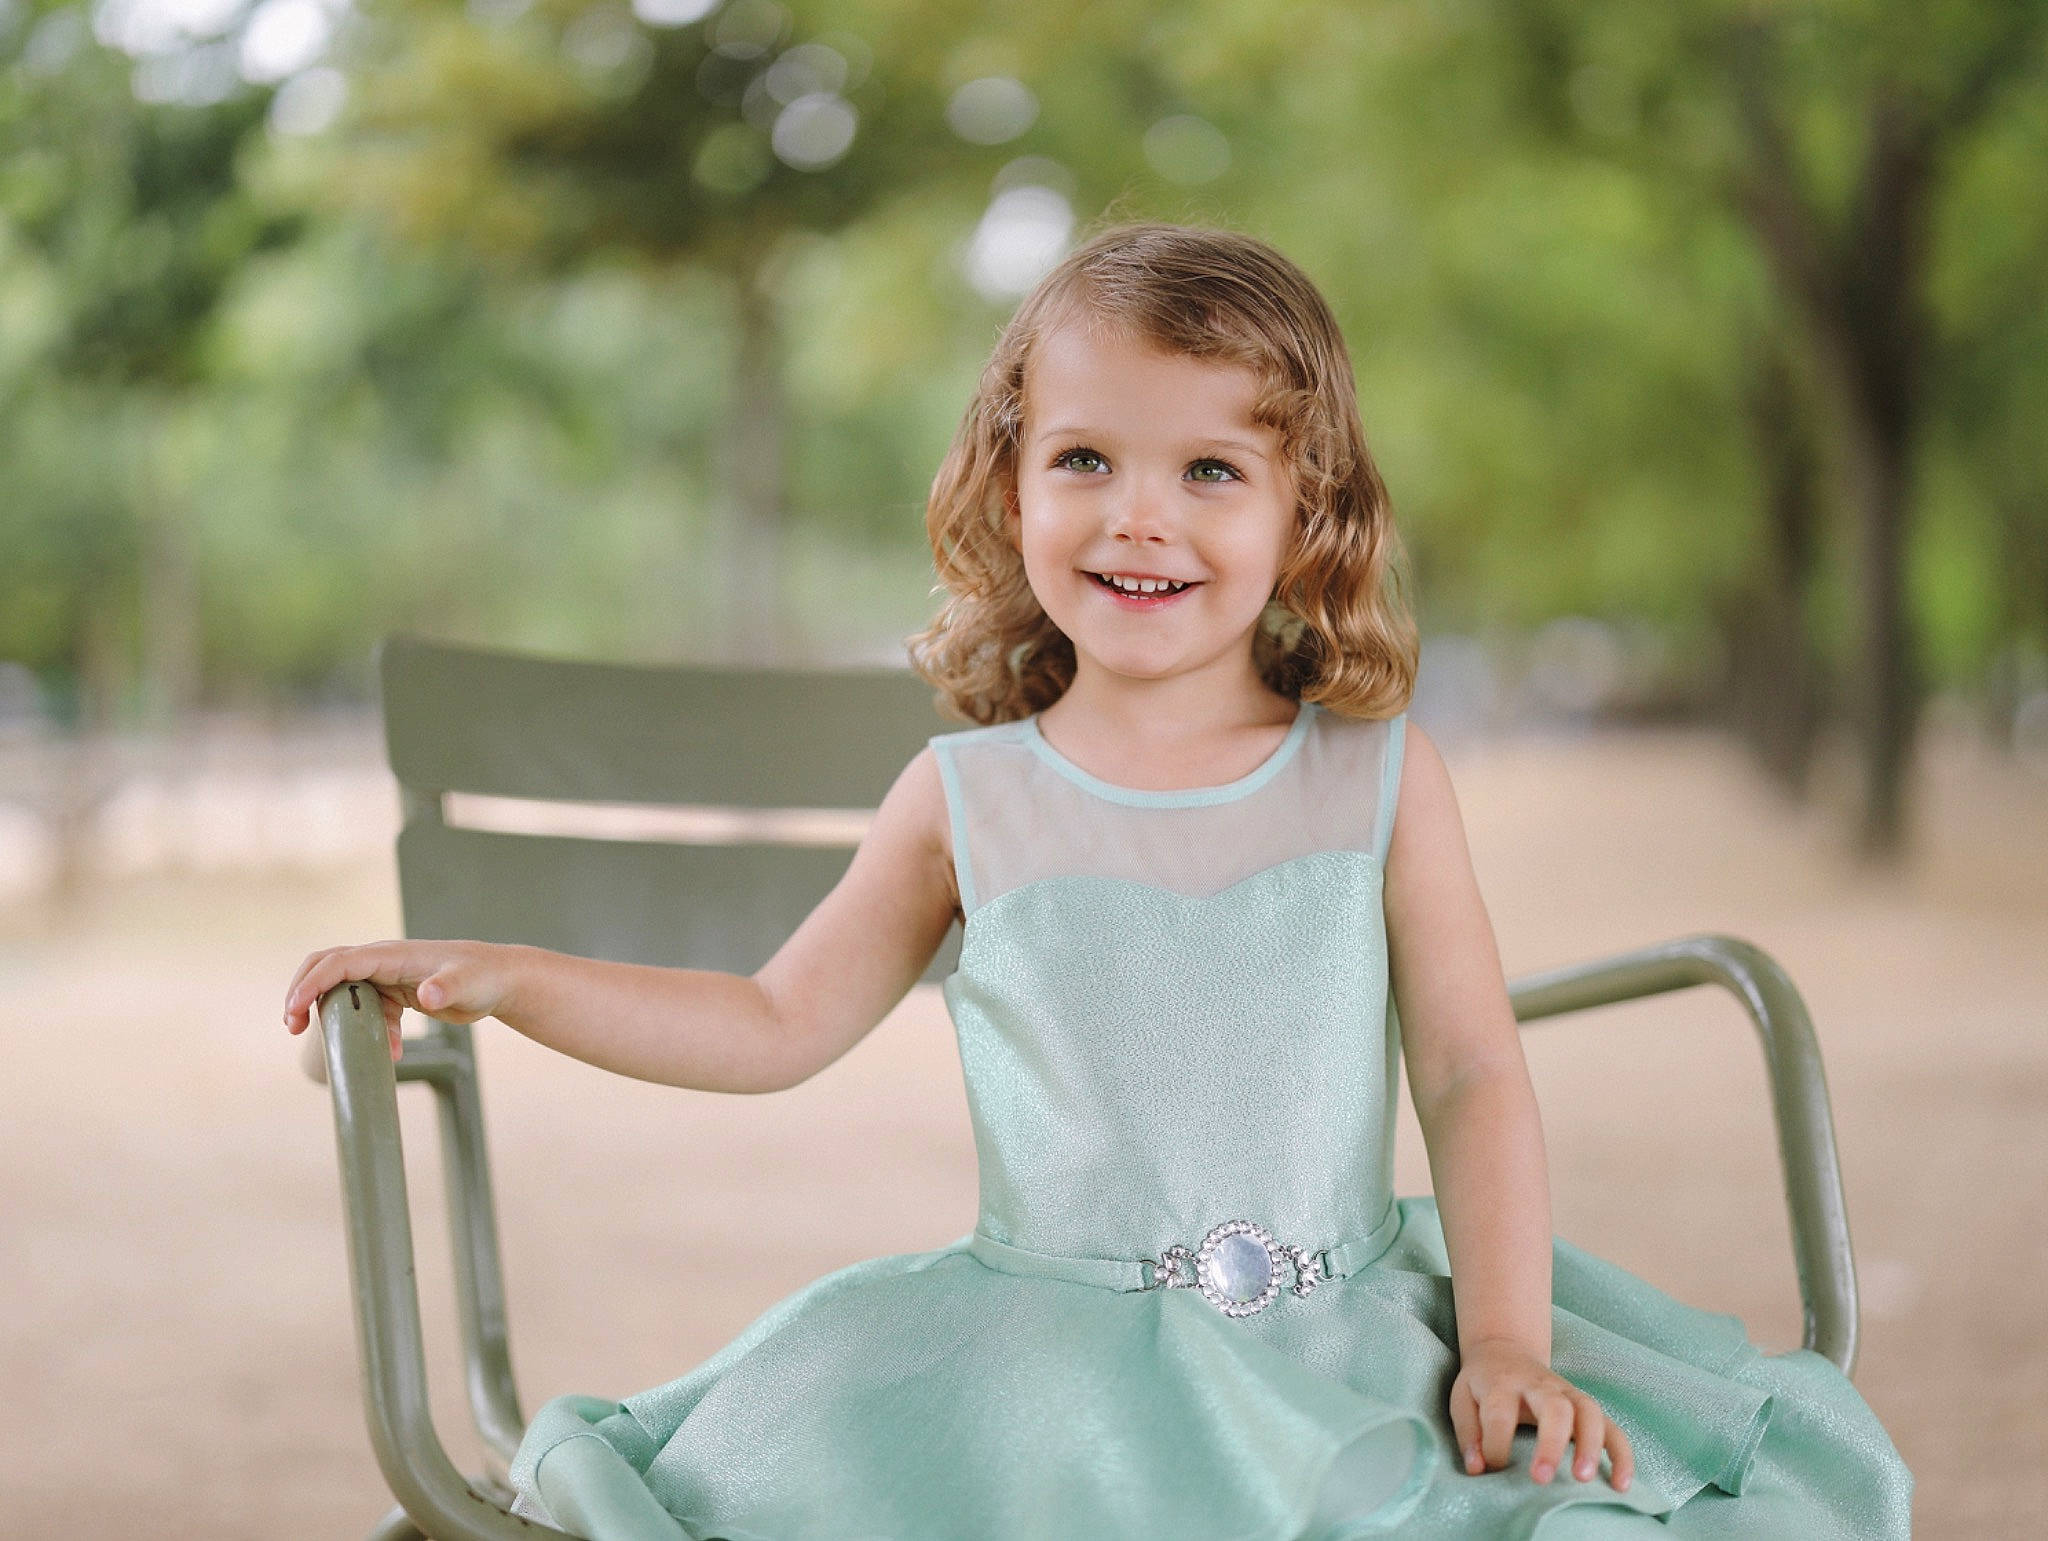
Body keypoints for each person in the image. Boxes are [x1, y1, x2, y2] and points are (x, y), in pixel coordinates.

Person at [282, 221, 1911, 1539]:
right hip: (1035, 1368)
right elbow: (773, 1018)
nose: (1141, 516)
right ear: (1012, 485)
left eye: (1212, 470)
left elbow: (1476, 1072)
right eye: (1086, 459)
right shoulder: (965, 799)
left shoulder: (1382, 775)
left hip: (1354, 1348)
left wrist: (1500, 1340)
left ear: (1307, 515)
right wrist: (509, 973)